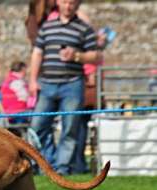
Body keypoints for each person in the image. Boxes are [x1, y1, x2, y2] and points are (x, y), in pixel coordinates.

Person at [29, 0, 100, 175]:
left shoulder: (84, 28)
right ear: (58, 2)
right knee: (37, 126)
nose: (68, 6)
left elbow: (96, 56)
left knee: (70, 129)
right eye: (65, 2)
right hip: (47, 84)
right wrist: (32, 79)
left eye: (72, 3)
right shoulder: (47, 27)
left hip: (73, 84)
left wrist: (77, 55)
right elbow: (37, 53)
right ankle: (48, 163)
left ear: (77, 5)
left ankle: (61, 169)